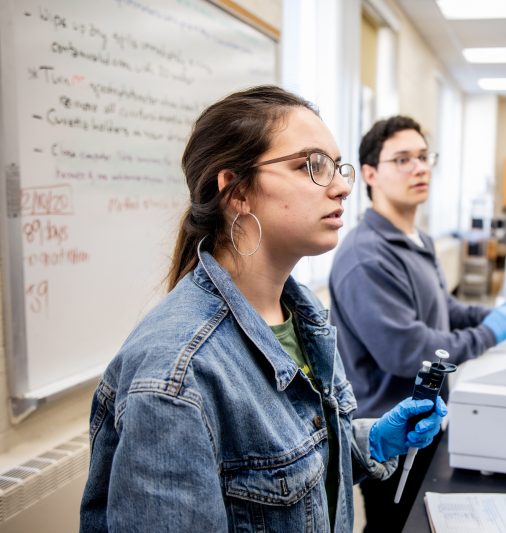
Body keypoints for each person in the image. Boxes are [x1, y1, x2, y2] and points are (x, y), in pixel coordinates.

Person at [79, 86, 447, 533]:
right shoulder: (177, 374)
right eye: (311, 166)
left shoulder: (300, 316)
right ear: (236, 192)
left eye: (336, 166)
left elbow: (285, 469)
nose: (343, 187)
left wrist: (370, 441)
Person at [328, 115, 506, 532]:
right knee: (396, 526)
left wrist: (490, 314)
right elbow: (408, 351)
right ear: (369, 173)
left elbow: (443, 306)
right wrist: (487, 334)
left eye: (424, 157)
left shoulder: (416, 239)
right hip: (390, 432)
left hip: (427, 419)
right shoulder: (366, 257)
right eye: (403, 159)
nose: (420, 167)